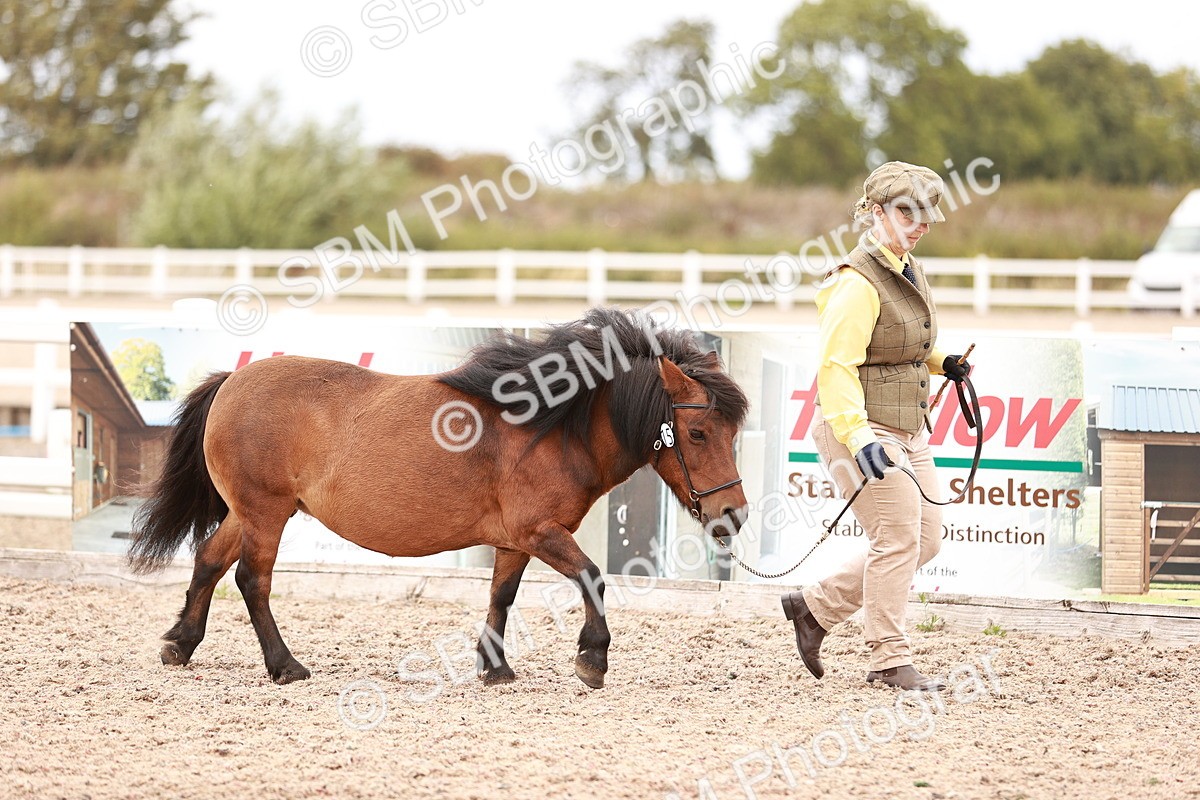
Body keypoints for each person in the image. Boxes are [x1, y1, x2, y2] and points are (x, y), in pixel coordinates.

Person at [781, 161, 970, 691]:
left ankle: (814, 609)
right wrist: (859, 437)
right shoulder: (855, 283)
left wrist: (943, 362)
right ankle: (888, 658)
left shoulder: (906, 268)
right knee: (897, 538)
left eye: (925, 215)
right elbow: (836, 367)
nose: (918, 224)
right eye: (906, 212)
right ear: (876, 212)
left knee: (925, 541)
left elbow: (904, 345)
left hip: (908, 429)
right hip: (859, 429)